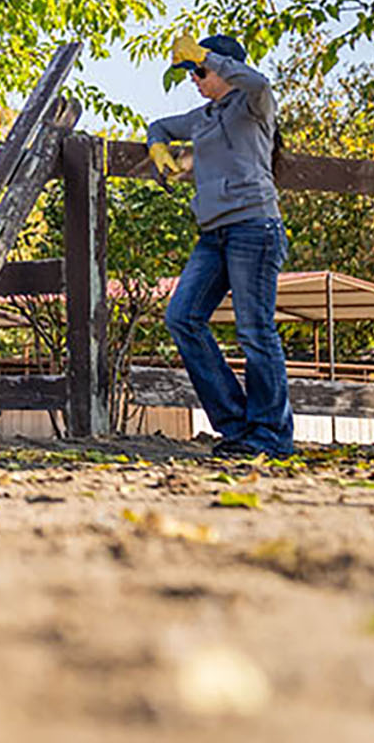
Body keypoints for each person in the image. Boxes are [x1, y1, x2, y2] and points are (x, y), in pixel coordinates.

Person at [146, 31, 293, 458]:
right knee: (182, 318)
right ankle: (236, 426)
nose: (194, 78)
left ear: (224, 68)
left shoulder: (255, 105)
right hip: (213, 234)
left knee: (255, 331)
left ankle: (271, 436)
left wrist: (207, 55)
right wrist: (158, 146)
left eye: (200, 71)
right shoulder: (202, 117)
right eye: (191, 71)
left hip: (254, 228)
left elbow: (260, 82)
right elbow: (160, 125)